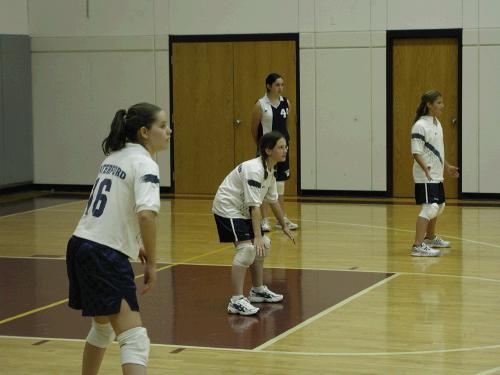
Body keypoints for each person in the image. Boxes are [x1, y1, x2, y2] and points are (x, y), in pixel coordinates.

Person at [66, 102, 171, 374]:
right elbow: (146, 215)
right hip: (104, 254)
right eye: (163, 126)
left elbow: (111, 207)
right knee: (135, 339)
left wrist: (134, 244)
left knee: (102, 330)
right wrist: (152, 263)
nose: (169, 131)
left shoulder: (115, 156)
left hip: (79, 244)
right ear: (145, 132)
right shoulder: (145, 164)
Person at [212, 131, 295, 315]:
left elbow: (273, 201)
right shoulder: (254, 170)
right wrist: (256, 235)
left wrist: (285, 226)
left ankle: (257, 290)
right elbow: (254, 207)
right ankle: (236, 300)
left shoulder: (270, 171)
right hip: (228, 208)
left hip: (242, 209)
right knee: (248, 249)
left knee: (263, 245)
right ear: (268, 150)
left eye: (286, 147)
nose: (285, 150)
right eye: (281, 147)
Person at [410, 91, 459, 257]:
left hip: (436, 174)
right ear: (429, 105)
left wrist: (447, 166)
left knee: (440, 207)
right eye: (438, 103)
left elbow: (437, 151)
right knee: (429, 208)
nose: (442, 106)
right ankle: (417, 246)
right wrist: (425, 169)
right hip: (426, 175)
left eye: (442, 102)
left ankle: (430, 238)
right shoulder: (420, 125)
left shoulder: (437, 123)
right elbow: (416, 152)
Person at [251, 73, 299, 232]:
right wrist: (262, 147)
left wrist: (283, 145)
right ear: (269, 86)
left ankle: (281, 219)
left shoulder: (286, 103)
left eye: (282, 85)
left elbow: (287, 124)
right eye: (277, 85)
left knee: (279, 184)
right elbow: (253, 128)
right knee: (265, 184)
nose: (280, 88)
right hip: (267, 151)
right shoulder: (260, 104)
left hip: (281, 150)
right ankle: (264, 220)